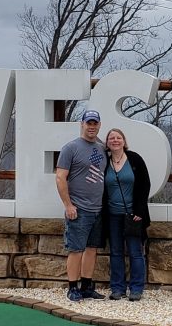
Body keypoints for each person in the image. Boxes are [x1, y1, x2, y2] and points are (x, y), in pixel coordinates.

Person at [55, 110, 107, 302]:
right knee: (76, 249)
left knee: (92, 248)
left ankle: (86, 286)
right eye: (88, 123)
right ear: (82, 124)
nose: (91, 127)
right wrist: (68, 205)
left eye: (95, 123)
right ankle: (72, 288)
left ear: (99, 125)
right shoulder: (71, 148)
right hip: (79, 208)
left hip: (98, 209)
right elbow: (60, 177)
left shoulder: (102, 149)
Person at [101, 128, 151, 301]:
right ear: (106, 143)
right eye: (111, 138)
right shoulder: (104, 162)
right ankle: (117, 288)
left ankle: (136, 288)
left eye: (118, 137)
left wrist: (140, 210)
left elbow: (145, 185)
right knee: (115, 252)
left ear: (124, 140)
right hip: (112, 215)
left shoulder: (135, 159)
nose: (115, 140)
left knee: (135, 252)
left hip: (133, 216)